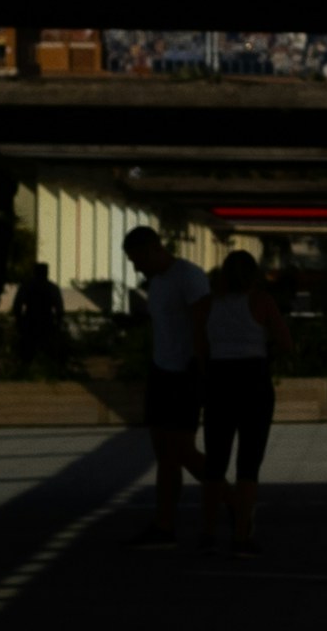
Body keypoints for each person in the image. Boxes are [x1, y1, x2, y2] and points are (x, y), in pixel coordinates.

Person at [198, 242, 289, 553]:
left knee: (215, 461)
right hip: (254, 381)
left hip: (219, 381)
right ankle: (240, 536)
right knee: (249, 463)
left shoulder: (207, 304)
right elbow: (285, 341)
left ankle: (208, 533)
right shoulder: (261, 301)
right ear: (254, 275)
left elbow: (199, 348)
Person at [124, 225, 206, 545]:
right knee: (165, 454)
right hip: (161, 372)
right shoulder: (156, 283)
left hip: (185, 374)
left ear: (154, 249)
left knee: (183, 450)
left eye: (137, 260)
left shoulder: (189, 277)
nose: (135, 268)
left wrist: (201, 370)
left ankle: (236, 504)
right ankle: (164, 524)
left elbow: (202, 324)